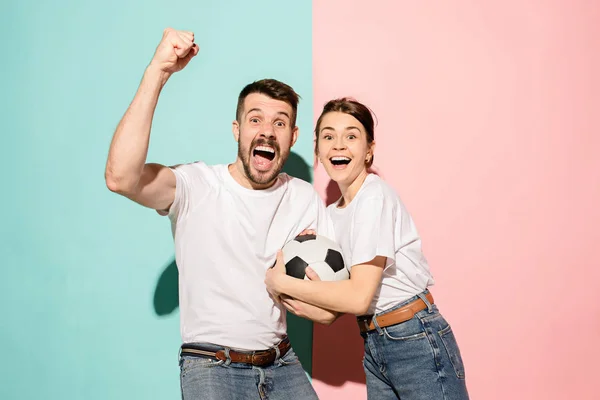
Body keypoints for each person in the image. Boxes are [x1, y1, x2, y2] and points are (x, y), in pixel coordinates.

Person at [105, 27, 335, 400]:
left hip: (283, 362)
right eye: (255, 119)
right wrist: (158, 72)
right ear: (237, 129)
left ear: (292, 138)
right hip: (212, 365)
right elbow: (121, 177)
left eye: (279, 123)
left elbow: (327, 301)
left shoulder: (303, 198)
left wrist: (298, 291)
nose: (267, 132)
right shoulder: (197, 185)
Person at [265, 98, 470, 399]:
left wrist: (280, 282)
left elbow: (359, 298)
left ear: (369, 150)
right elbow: (330, 314)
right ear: (318, 151)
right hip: (375, 340)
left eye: (351, 136)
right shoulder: (333, 215)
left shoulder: (374, 196)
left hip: (413, 335)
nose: (338, 145)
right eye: (328, 136)